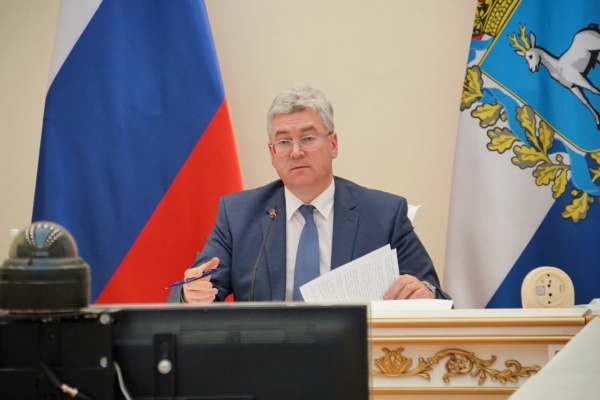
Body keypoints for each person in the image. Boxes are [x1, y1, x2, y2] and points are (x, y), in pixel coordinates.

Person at [168, 86, 450, 303]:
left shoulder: (384, 214)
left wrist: (424, 293)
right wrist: (189, 294)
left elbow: (436, 295)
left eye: (308, 138)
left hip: (355, 356)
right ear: (272, 154)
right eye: (284, 141)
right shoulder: (238, 215)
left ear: (333, 144)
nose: (296, 151)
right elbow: (194, 289)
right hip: (267, 355)